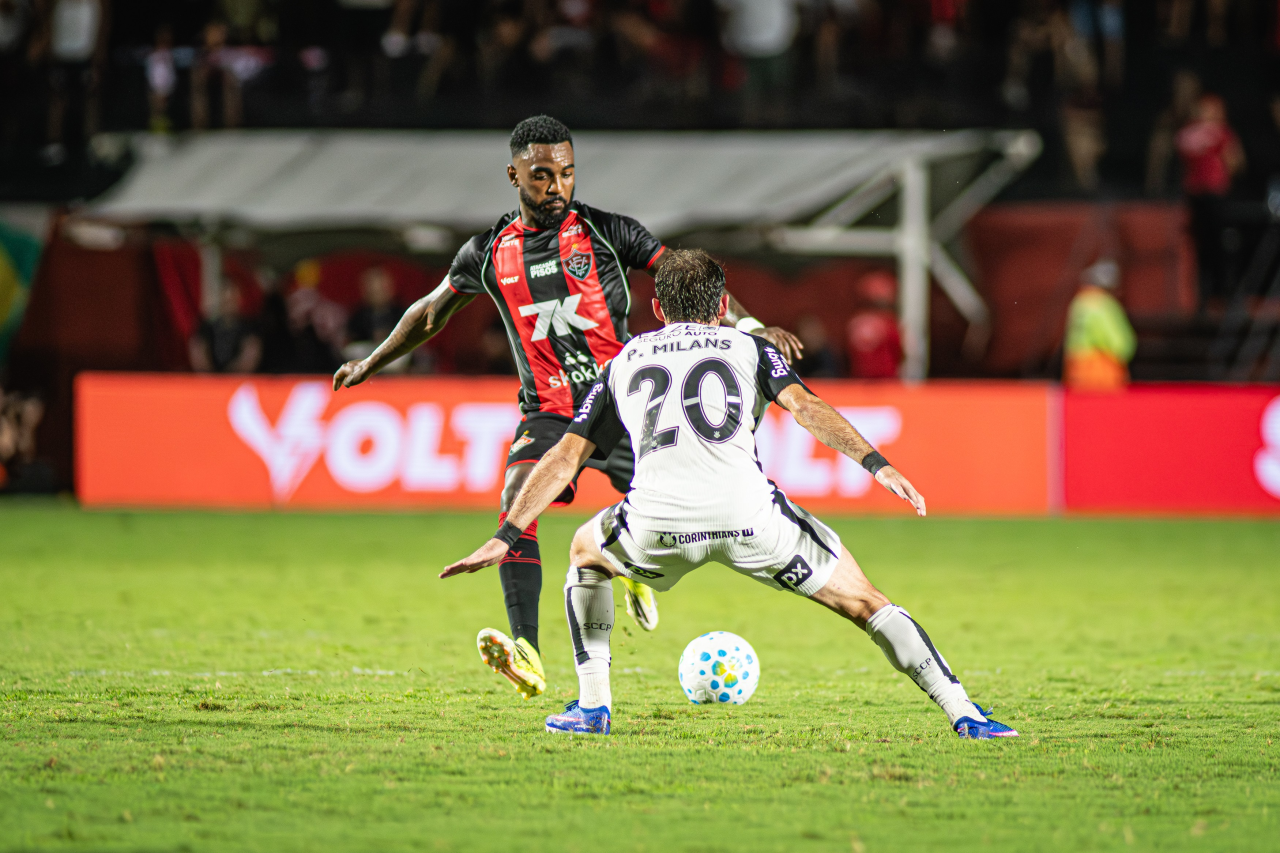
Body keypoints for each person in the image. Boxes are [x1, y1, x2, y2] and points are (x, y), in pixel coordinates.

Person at [441, 249, 1017, 740]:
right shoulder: (750, 348)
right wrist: (876, 463)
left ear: (657, 309)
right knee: (866, 603)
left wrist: (507, 533)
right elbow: (806, 408)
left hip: (655, 525)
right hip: (753, 521)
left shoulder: (624, 361)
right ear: (722, 307)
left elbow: (566, 456)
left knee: (585, 554)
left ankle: (593, 708)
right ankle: (965, 714)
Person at [333, 115, 801, 702]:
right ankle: (527, 651)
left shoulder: (609, 232)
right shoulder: (487, 253)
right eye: (541, 175)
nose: (556, 186)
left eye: (567, 173)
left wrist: (753, 327)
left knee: (673, 507)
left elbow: (688, 279)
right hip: (550, 411)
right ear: (514, 176)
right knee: (516, 502)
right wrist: (371, 362)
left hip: (626, 406)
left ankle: (627, 565)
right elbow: (430, 314)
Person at [1176, 93, 1245, 302]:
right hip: (1201, 193)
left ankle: (1218, 290)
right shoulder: (1198, 133)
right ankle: (1207, 292)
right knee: (1203, 244)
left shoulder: (1214, 133)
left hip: (1212, 192)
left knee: (1215, 242)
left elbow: (1235, 162)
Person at [1063, 258, 1135, 391]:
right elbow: (1118, 341)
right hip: (1101, 367)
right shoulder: (1103, 304)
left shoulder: (1078, 302)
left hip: (1076, 366)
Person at [189, 284, 262, 374]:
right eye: (226, 300)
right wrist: (210, 377)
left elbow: (250, 357)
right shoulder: (207, 326)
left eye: (232, 300)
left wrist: (230, 376)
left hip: (239, 379)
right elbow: (198, 352)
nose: (229, 304)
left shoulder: (249, 328)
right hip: (210, 379)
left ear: (239, 300)